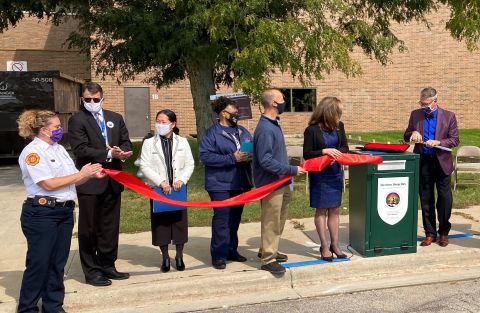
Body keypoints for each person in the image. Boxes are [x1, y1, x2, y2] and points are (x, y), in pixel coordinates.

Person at [16, 110, 104, 313]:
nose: (60, 130)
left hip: (63, 212)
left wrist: (89, 175)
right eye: (56, 127)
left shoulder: (59, 149)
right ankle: (27, 308)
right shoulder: (33, 153)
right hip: (41, 213)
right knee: (39, 263)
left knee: (57, 263)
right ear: (44, 130)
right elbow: (47, 184)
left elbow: (74, 177)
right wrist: (80, 175)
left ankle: (53, 306)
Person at [68, 82, 133, 287]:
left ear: (102, 99)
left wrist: (122, 152)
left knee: (109, 226)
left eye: (96, 99)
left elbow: (126, 142)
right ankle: (92, 270)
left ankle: (107, 264)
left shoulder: (115, 118)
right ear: (82, 99)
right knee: (89, 228)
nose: (92, 103)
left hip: (112, 181)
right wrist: (107, 154)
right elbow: (81, 149)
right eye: (88, 99)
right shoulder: (77, 120)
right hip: (90, 182)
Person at [253, 89, 307, 275]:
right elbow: (265, 160)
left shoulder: (274, 124)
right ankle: (268, 259)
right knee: (271, 220)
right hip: (271, 183)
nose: (285, 101)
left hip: (281, 181)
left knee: (279, 219)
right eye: (282, 99)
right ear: (274, 103)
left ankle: (268, 249)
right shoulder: (266, 129)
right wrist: (292, 170)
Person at [199, 97, 254, 270]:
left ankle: (232, 250)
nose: (237, 115)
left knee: (235, 219)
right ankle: (219, 254)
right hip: (220, 184)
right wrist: (232, 158)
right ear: (223, 113)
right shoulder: (211, 133)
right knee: (222, 219)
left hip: (241, 182)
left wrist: (250, 155)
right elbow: (205, 157)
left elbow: (251, 148)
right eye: (234, 112)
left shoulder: (242, 131)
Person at [139, 109, 194, 272]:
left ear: (173, 124)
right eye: (158, 121)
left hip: (178, 188)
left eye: (164, 122)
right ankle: (164, 256)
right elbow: (144, 165)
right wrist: (161, 182)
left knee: (179, 223)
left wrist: (181, 180)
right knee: (161, 224)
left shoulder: (182, 142)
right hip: (158, 189)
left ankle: (179, 255)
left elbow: (190, 164)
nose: (160, 125)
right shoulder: (149, 143)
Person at [404, 87, 459, 247]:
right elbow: (406, 135)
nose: (423, 106)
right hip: (424, 161)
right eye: (421, 103)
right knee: (426, 198)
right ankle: (430, 233)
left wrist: (439, 142)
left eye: (426, 104)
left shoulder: (449, 116)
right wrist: (413, 133)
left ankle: (443, 233)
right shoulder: (416, 114)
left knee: (444, 199)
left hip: (441, 162)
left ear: (435, 102)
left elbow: (455, 140)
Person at [303, 97, 349, 261]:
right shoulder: (312, 130)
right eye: (337, 113)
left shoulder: (339, 127)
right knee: (321, 209)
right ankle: (324, 245)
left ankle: (335, 244)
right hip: (320, 175)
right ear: (329, 113)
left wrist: (337, 152)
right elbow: (307, 154)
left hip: (335, 173)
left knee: (335, 209)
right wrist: (324, 151)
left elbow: (345, 147)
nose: (339, 116)